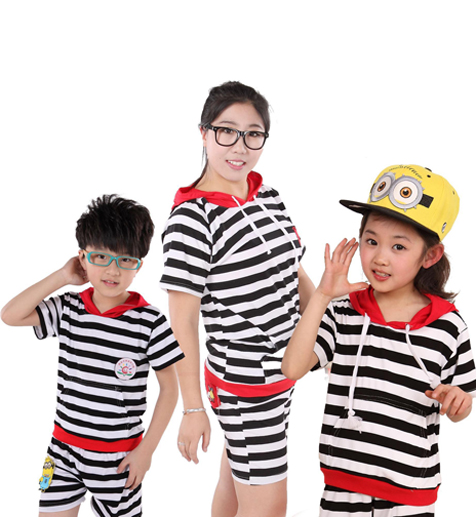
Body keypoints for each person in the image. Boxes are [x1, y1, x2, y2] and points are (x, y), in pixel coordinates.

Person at [282, 164, 476, 516]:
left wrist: (459, 403)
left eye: (399, 246)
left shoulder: (448, 325)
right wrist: (323, 295)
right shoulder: (345, 311)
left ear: (430, 255)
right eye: (371, 241)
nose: (380, 257)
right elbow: (292, 368)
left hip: (411, 493)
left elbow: (461, 405)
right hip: (342, 486)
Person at [160, 81, 315, 517]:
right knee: (268, 507)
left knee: (235, 481)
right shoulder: (193, 219)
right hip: (245, 387)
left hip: (281, 375)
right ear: (204, 133)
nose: (240, 146)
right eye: (227, 131)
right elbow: (182, 322)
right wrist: (192, 407)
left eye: (253, 134)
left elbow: (295, 272)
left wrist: (325, 332)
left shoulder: (267, 195)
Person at [1, 194, 184, 517]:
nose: (113, 270)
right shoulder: (68, 309)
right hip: (62, 452)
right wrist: (62, 277)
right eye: (101, 257)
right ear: (82, 258)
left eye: (126, 260)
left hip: (119, 459)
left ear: (139, 265)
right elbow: (10, 315)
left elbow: (170, 389)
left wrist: (146, 451)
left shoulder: (149, 321)